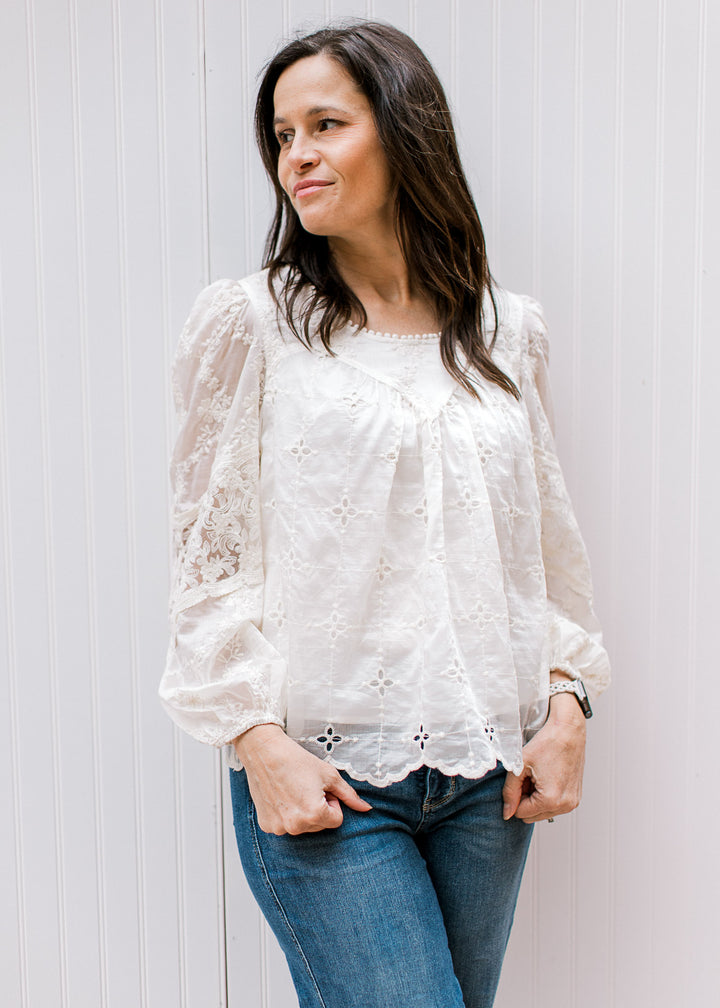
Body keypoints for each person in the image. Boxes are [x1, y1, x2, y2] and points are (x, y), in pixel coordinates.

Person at [159, 20, 610, 1008]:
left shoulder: (507, 330)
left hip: (491, 780)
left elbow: (544, 550)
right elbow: (208, 565)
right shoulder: (252, 323)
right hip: (327, 779)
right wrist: (258, 744)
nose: (297, 156)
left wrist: (569, 705)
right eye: (281, 135)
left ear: (406, 133)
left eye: (325, 123)